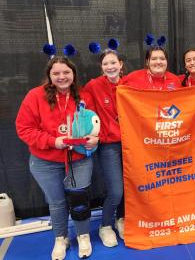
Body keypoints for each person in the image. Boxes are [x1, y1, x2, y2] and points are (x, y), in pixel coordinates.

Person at [16, 56, 99, 260]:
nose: (62, 77)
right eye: (56, 73)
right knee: (57, 203)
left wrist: (95, 139)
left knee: (79, 200)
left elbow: (96, 124)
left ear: (73, 74)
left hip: (79, 159)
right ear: (49, 76)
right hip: (45, 162)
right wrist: (53, 141)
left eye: (66, 72)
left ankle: (83, 235)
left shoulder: (85, 95)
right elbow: (24, 129)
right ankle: (61, 238)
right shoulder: (35, 96)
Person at [84, 49, 125, 247]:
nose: (110, 67)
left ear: (121, 64)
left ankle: (121, 219)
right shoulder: (93, 86)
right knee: (116, 190)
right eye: (106, 64)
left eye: (113, 63)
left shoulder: (129, 84)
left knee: (131, 187)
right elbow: (86, 112)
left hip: (132, 143)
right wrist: (94, 134)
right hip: (108, 145)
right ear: (101, 67)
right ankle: (105, 226)